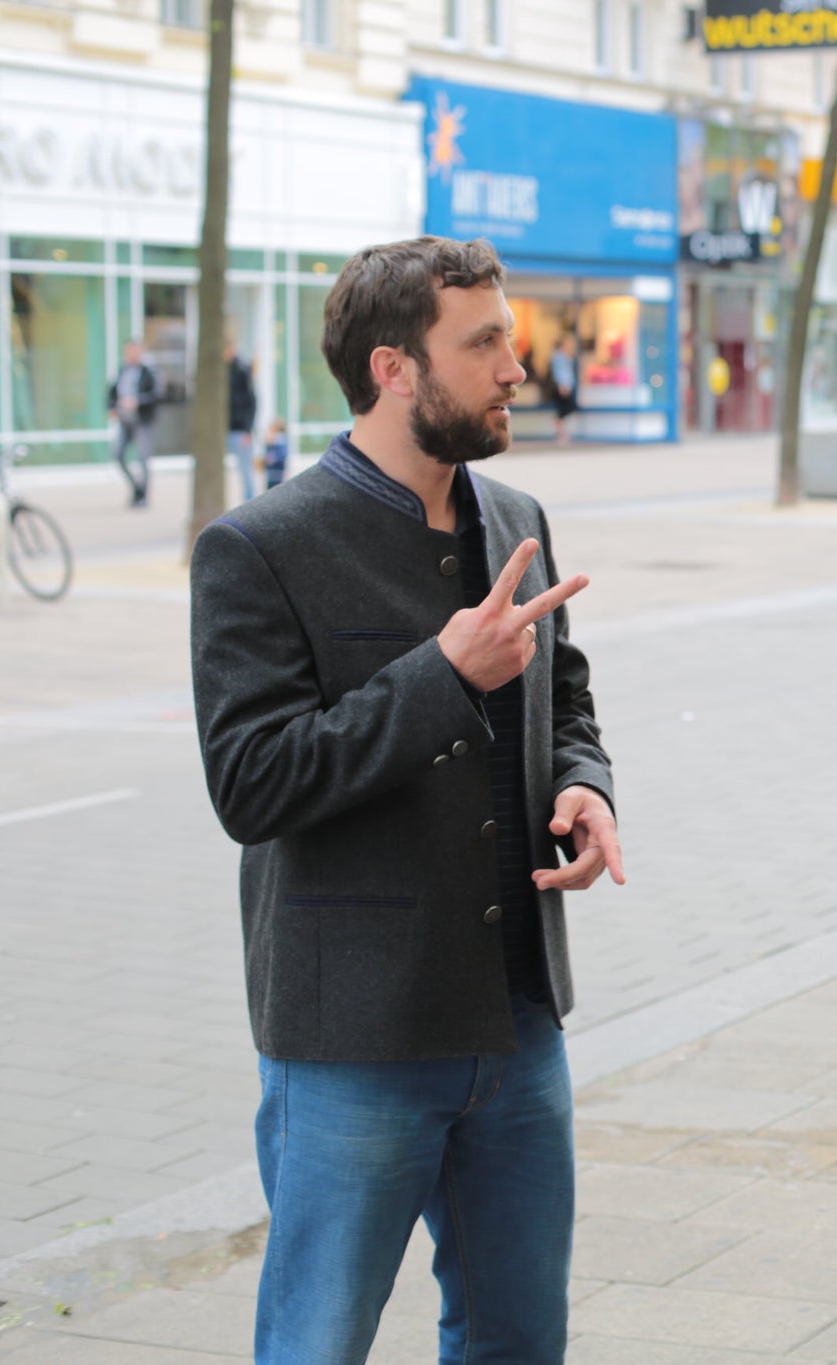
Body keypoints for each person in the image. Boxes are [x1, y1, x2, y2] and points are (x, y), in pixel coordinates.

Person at [189, 235, 624, 1365]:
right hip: (355, 1041)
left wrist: (583, 786)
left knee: (520, 1339)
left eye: (509, 341)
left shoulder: (514, 515)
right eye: (482, 344)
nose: (514, 369)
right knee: (316, 1342)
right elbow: (252, 782)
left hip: (519, 1025)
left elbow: (564, 697)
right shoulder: (259, 547)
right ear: (394, 370)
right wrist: (442, 676)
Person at [105, 340, 158, 508]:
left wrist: (137, 402)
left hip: (142, 421)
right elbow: (112, 392)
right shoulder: (122, 370)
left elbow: (156, 395)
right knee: (118, 455)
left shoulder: (148, 372)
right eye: (128, 352)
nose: (130, 355)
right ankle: (137, 488)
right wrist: (112, 407)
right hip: (125, 421)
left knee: (143, 458)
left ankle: (144, 497)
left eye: (133, 352)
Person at [227, 342, 259, 503]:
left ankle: (249, 503)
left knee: (246, 470)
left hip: (240, 430)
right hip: (224, 429)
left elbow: (251, 402)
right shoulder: (220, 372)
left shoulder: (242, 371)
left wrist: (247, 429)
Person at [550, 331, 579, 444]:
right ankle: (560, 433)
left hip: (568, 385)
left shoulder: (564, 356)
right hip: (563, 387)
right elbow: (559, 372)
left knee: (566, 410)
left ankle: (561, 432)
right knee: (565, 409)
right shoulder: (558, 356)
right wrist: (562, 385)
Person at [262, 416, 289, 489]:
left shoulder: (281, 439)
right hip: (271, 472)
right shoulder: (271, 441)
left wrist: (273, 458)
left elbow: (282, 454)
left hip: (277, 472)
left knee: (275, 488)